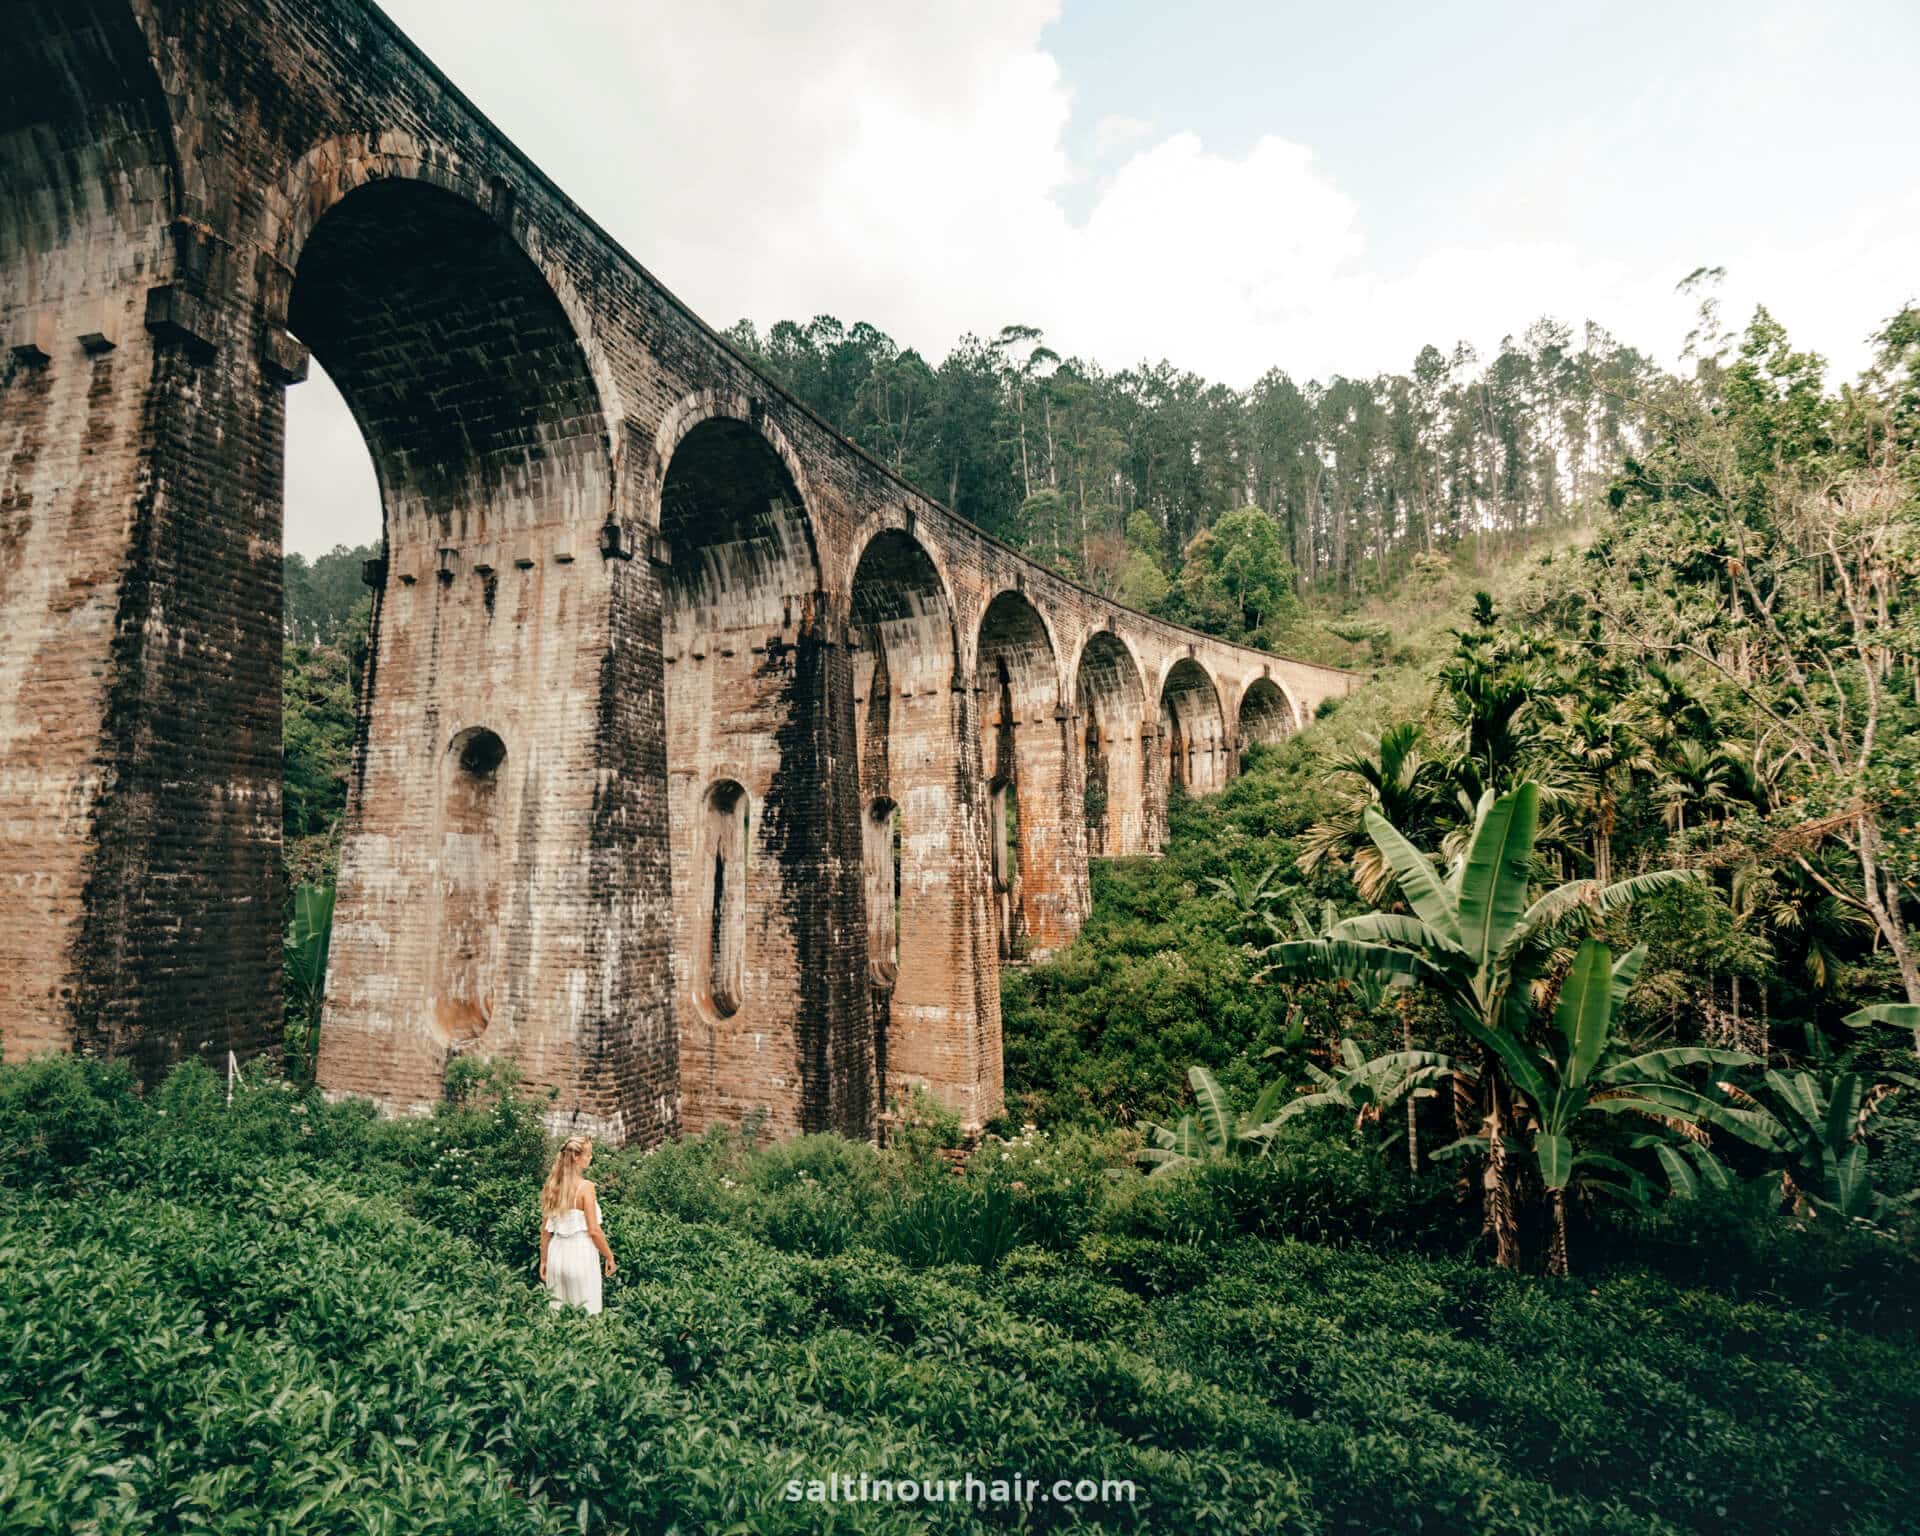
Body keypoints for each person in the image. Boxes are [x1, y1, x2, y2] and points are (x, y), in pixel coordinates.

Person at [538, 1135, 616, 1313]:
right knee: (587, 1312)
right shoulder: (586, 1187)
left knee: (557, 1312)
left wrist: (544, 1260)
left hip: (556, 1255)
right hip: (580, 1254)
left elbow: (545, 1231)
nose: (591, 1158)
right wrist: (609, 1256)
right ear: (576, 1158)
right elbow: (594, 1231)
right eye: (588, 1154)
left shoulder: (552, 1185)